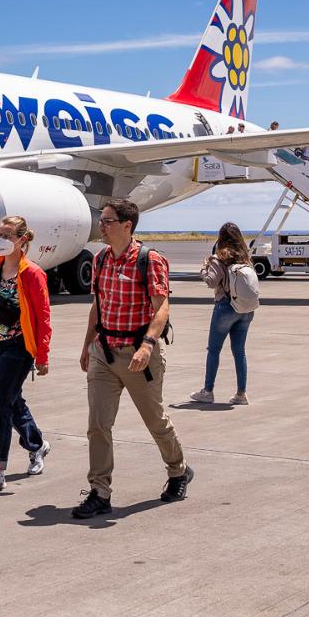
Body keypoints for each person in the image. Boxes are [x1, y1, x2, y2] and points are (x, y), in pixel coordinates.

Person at [74, 198, 192, 519]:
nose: (102, 226)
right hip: (104, 352)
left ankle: (178, 470)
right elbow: (97, 306)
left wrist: (148, 344)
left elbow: (162, 307)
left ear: (127, 226)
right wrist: (87, 345)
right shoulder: (100, 260)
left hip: (139, 355)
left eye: (108, 221)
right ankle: (100, 491)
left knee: (155, 421)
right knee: (98, 425)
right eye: (102, 220)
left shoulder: (149, 260)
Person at [0, 216, 52, 494]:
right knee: (11, 402)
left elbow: (43, 316)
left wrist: (42, 355)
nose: (0, 240)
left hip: (18, 347)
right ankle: (37, 445)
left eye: (6, 235)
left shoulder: (32, 274)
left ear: (22, 239)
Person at [191, 222, 256, 405]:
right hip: (245, 309)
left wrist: (204, 268)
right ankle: (241, 394)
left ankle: (208, 391)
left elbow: (211, 282)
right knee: (239, 351)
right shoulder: (245, 258)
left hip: (225, 307)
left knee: (214, 350)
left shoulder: (219, 257)